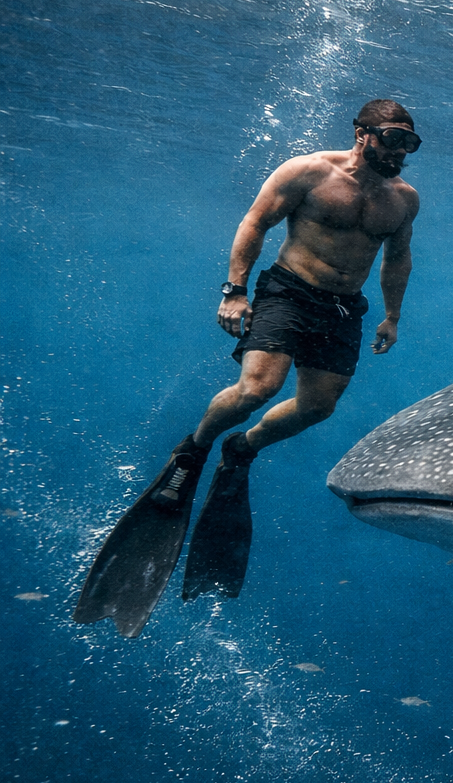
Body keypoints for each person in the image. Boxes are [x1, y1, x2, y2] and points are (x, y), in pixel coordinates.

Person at [73, 99, 422, 638]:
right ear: (362, 134)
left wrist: (393, 315)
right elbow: (257, 222)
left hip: (343, 308)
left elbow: (397, 256)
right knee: (259, 387)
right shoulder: (306, 172)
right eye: (393, 139)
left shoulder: (404, 200)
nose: (401, 153)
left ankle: (242, 450)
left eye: (410, 144)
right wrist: (234, 291)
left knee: (318, 407)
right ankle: (194, 449)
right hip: (288, 290)